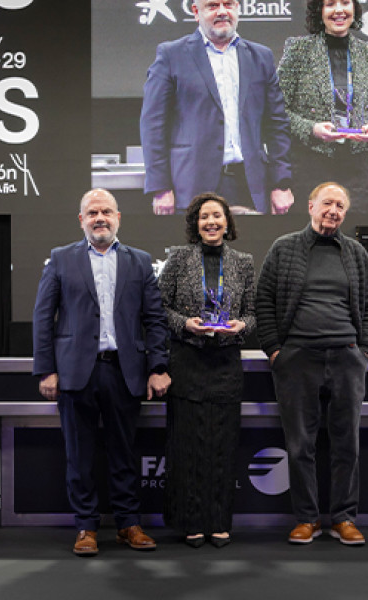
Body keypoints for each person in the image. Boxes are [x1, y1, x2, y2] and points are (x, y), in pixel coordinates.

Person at [32, 188, 171, 557]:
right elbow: (43, 319)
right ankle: (86, 527)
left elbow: (155, 320)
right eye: (92, 212)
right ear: (81, 220)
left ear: (118, 217)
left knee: (124, 453)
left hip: (124, 372)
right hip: (76, 373)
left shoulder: (140, 262)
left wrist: (158, 367)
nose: (100, 218)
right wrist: (45, 369)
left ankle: (129, 524)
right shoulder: (60, 259)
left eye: (106, 211)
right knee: (79, 456)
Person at [256, 181, 368, 545]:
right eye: (328, 203)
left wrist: (365, 350)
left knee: (347, 444)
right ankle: (306, 519)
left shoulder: (355, 253)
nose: (334, 211)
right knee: (300, 444)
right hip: (297, 359)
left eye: (341, 206)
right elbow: (264, 301)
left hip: (346, 358)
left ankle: (343, 518)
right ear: (310, 206)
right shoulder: (284, 248)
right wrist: (275, 349)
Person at [157, 192, 255, 548]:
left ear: (227, 222)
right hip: (187, 363)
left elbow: (254, 313)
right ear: (195, 224)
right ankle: (191, 521)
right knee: (187, 447)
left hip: (225, 364)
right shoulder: (179, 258)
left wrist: (242, 326)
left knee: (222, 448)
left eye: (217, 216)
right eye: (203, 217)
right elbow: (159, 308)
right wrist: (186, 324)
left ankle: (219, 521)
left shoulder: (243, 262)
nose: (210, 222)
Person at [140, 0, 294, 215]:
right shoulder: (171, 55)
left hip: (250, 185)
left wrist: (281, 183)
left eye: (228, 4)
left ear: (238, 9)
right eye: (213, 6)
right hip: (192, 186)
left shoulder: (261, 56)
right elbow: (153, 126)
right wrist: (160, 188)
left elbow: (277, 125)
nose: (223, 12)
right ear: (196, 12)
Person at [277, 0, 368, 213]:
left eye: (345, 3)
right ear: (320, 11)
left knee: (355, 236)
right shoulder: (299, 49)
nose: (339, 10)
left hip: (356, 169)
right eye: (330, 4)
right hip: (311, 166)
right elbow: (278, 111)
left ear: (354, 8)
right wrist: (312, 129)